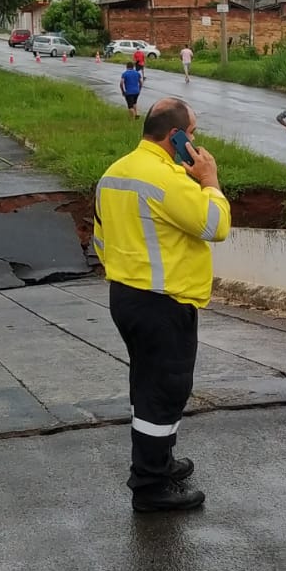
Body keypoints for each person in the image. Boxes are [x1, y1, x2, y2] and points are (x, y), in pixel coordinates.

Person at [94, 98, 231, 512]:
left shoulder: (115, 172)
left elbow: (101, 240)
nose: (196, 141)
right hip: (162, 302)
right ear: (176, 136)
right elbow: (215, 225)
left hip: (127, 297)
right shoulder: (166, 179)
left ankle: (161, 461)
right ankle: (151, 486)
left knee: (149, 386)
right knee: (165, 390)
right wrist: (210, 181)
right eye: (193, 133)